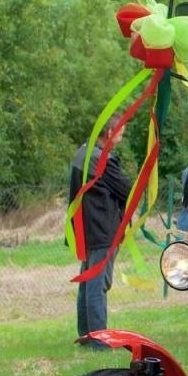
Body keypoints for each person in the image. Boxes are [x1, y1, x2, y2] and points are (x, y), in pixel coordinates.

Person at [68, 123, 130, 347]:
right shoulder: (101, 159)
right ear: (110, 132)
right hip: (102, 228)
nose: (122, 136)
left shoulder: (83, 153)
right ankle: (99, 341)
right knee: (97, 284)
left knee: (88, 283)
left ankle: (86, 336)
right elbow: (126, 188)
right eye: (121, 132)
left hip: (87, 229)